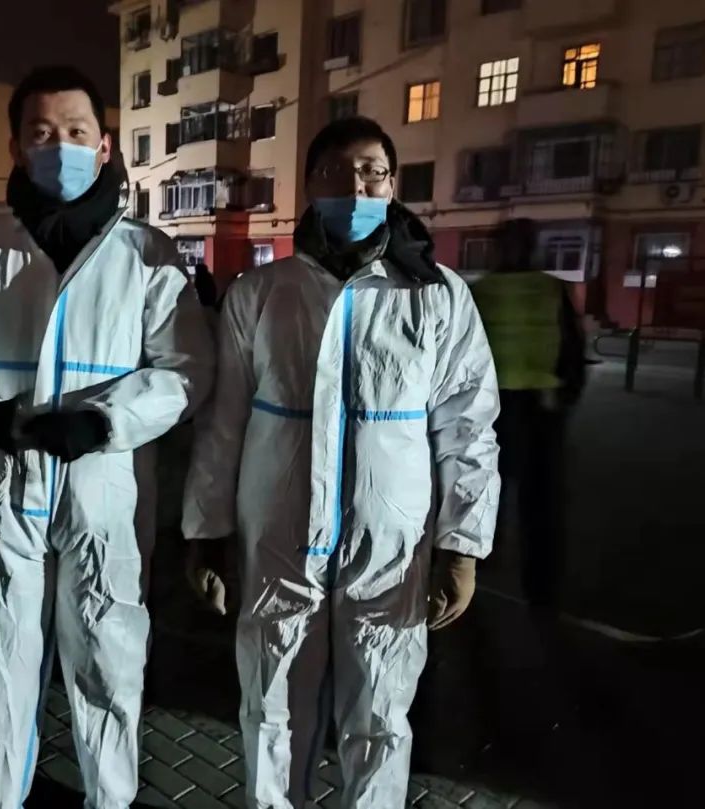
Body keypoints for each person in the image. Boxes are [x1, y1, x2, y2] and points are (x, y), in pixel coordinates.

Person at [0, 65, 214, 809]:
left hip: (104, 489)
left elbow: (185, 369)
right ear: (16, 148)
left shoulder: (146, 252)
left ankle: (110, 799)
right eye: (42, 134)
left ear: (104, 146)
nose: (60, 147)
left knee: (109, 662)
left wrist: (108, 420)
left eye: (76, 132)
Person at [182, 116, 501, 809]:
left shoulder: (437, 296)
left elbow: (468, 428)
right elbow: (222, 424)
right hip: (277, 540)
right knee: (272, 707)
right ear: (309, 185)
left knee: (381, 713)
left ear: (392, 185)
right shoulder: (261, 293)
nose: (355, 187)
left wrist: (462, 545)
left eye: (371, 172)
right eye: (336, 172)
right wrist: (207, 531)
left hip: (391, 544)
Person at [470, 218, 585, 608]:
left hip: (497, 407)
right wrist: (566, 393)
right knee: (539, 499)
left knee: (487, 491)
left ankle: (481, 570)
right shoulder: (551, 288)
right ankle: (541, 586)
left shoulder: (480, 291)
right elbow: (573, 347)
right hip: (539, 405)